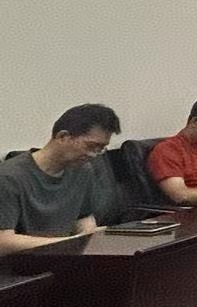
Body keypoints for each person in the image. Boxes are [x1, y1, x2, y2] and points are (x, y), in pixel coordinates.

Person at [0, 103, 119, 253]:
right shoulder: (9, 176)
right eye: (90, 146)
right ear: (63, 137)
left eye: (100, 148)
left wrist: (91, 237)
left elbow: (83, 218)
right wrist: (70, 243)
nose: (94, 154)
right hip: (23, 262)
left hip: (63, 256)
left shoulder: (83, 170)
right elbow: (3, 242)